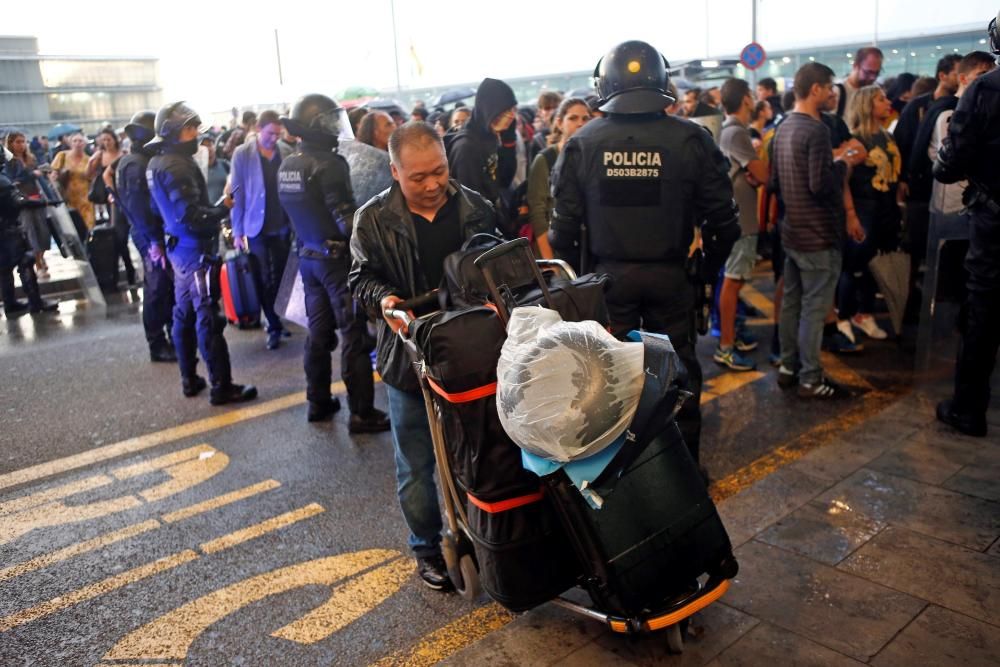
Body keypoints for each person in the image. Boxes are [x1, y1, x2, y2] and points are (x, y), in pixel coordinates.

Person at [549, 40, 740, 465]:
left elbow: (562, 232)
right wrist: (704, 271)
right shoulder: (691, 139)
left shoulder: (581, 144)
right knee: (676, 378)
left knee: (608, 382)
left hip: (606, 282)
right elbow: (725, 223)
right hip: (671, 278)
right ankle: (683, 474)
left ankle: (619, 482)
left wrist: (583, 278)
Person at [350, 121, 500, 590]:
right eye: (419, 177)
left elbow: (499, 263)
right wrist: (386, 302)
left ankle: (482, 535)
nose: (433, 184)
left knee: (478, 453)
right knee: (415, 463)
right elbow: (360, 278)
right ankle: (426, 547)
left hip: (473, 352)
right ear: (394, 172)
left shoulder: (476, 206)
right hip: (408, 354)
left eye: (439, 171)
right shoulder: (372, 219)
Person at [277, 94, 390, 432]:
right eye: (328, 121)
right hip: (338, 264)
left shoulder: (288, 165)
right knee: (353, 335)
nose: (334, 127)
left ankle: (318, 402)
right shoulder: (330, 164)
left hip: (307, 260)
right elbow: (346, 220)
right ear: (315, 126)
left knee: (318, 333)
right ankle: (361, 412)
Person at [146, 101, 257, 405]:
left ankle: (189, 378)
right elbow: (192, 215)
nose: (194, 134)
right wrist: (224, 207)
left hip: (179, 249)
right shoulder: (177, 165)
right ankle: (221, 386)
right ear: (173, 133)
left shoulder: (156, 163)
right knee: (208, 317)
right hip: (194, 250)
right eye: (188, 130)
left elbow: (160, 211)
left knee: (183, 314)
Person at [772, 63, 868, 399]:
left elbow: (776, 182)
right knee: (814, 309)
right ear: (815, 89)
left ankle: (787, 367)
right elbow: (819, 184)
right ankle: (811, 378)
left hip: (793, 232)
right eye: (829, 88)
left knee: (792, 304)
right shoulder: (816, 130)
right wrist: (844, 162)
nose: (832, 93)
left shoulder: (784, 127)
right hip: (818, 234)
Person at [933, 12, 1000, 438]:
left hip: (993, 221)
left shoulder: (984, 89)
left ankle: (968, 410)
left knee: (984, 313)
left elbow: (948, 165)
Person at [836, 85, 902, 344]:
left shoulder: (888, 136)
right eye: (881, 99)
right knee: (853, 265)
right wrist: (850, 214)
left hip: (887, 209)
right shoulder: (854, 141)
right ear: (866, 105)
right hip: (864, 208)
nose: (887, 102)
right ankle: (843, 316)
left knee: (875, 264)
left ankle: (864, 313)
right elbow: (843, 179)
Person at [715, 78, 770, 372]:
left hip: (737, 218)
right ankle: (725, 347)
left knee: (731, 282)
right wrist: (758, 167)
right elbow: (762, 175)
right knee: (732, 283)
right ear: (747, 99)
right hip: (742, 221)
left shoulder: (728, 131)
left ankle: (731, 337)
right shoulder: (736, 132)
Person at [115, 111, 176, 363]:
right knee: (157, 286)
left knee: (166, 285)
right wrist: (154, 242)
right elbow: (139, 210)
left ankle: (173, 335)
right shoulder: (134, 164)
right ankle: (156, 343)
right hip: (148, 233)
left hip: (156, 231)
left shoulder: (144, 160)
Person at [230, 110, 293, 349]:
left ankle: (278, 318)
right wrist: (237, 231)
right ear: (258, 129)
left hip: (282, 225)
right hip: (255, 227)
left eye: (278, 134)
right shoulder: (242, 154)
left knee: (281, 276)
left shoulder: (285, 151)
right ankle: (273, 325)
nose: (274, 138)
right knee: (264, 277)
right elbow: (237, 193)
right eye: (270, 133)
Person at [445, 78, 518, 234]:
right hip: (479, 233)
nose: (512, 116)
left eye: (513, 109)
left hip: (494, 223)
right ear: (491, 109)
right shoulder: (467, 147)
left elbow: (504, 180)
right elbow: (471, 207)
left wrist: (509, 143)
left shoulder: (489, 136)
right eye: (506, 110)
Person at [526, 97, 590, 260]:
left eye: (585, 118)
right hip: (554, 248)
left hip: (585, 247)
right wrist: (550, 261)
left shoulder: (592, 157)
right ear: (560, 123)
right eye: (573, 118)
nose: (581, 123)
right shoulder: (545, 159)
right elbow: (538, 212)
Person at [0, 146, 58, 318]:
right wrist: (44, 203)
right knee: (26, 262)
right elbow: (18, 202)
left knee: (4, 269)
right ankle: (35, 302)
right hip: (9, 229)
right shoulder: (2, 180)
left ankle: (10, 303)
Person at [4, 132, 51, 278]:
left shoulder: (30, 158)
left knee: (43, 232)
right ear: (11, 143)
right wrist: (31, 174)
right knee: (30, 232)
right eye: (18, 142)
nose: (21, 145)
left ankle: (41, 256)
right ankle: (38, 262)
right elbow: (12, 180)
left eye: (23, 142)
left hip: (37, 197)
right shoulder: (9, 161)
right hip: (22, 201)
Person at [50, 132, 94, 229]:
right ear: (70, 143)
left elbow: (91, 177)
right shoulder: (62, 156)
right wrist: (56, 178)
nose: (78, 143)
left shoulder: (89, 160)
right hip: (67, 197)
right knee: (72, 226)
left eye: (80, 141)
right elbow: (52, 173)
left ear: (85, 143)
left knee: (88, 226)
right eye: (75, 141)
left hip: (85, 198)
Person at [835, 47, 883, 118]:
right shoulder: (837, 91)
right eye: (868, 72)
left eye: (876, 73)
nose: (873, 77)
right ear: (855, 66)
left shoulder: (876, 90)